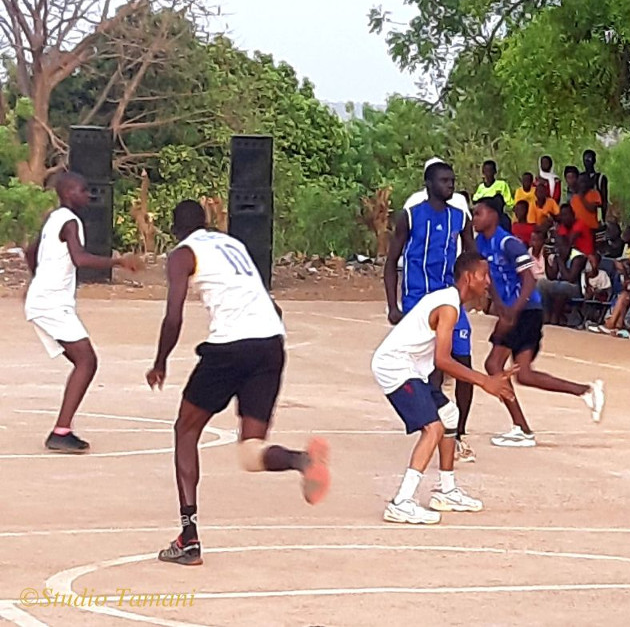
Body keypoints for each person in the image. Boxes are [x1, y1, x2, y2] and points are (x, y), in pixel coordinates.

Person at [146, 201, 331, 565]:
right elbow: (271, 306)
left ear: (176, 229)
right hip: (270, 344)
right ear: (207, 222)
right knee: (250, 452)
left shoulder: (182, 254)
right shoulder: (233, 245)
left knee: (185, 430)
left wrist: (160, 362)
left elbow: (173, 316)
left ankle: (189, 538)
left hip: (231, 348)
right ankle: (302, 460)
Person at [373, 253, 518, 524]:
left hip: (413, 367)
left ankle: (446, 490)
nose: (488, 282)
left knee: (449, 415)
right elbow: (442, 360)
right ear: (468, 277)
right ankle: (401, 501)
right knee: (434, 428)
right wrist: (484, 381)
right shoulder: (449, 307)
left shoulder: (451, 302)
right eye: (484, 275)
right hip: (395, 366)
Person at [23, 172, 143, 452]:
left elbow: (30, 252)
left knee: (83, 361)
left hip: (45, 299)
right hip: (51, 302)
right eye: (83, 190)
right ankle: (61, 432)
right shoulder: (69, 221)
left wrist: (36, 282)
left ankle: (62, 430)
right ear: (67, 193)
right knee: (87, 361)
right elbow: (80, 258)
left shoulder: (53, 218)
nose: (88, 195)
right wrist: (119, 261)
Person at [472, 197, 605, 447]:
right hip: (513, 311)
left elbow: (530, 280)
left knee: (494, 364)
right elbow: (490, 278)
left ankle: (522, 428)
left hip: (527, 309)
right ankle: (585, 391)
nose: (474, 218)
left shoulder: (508, 243)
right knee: (524, 374)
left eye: (478, 213)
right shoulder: (481, 243)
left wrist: (513, 310)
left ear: (492, 215)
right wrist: (500, 306)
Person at [385, 161, 479, 463]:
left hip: (451, 301)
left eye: (452, 180)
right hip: (418, 301)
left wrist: (481, 294)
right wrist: (392, 306)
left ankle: (459, 433)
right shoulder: (410, 216)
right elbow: (391, 262)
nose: (450, 186)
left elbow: (472, 258)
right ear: (428, 184)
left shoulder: (460, 218)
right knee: (431, 369)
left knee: (463, 364)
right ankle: (437, 430)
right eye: (444, 181)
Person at [570, 172, 604, 238]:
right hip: (579, 230)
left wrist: (582, 198)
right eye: (580, 182)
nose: (582, 184)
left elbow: (592, 209)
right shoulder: (574, 198)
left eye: (584, 182)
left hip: (592, 228)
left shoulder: (594, 193)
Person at [581, 150, 609, 220]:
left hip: (596, 213)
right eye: (585, 159)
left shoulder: (600, 178)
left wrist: (603, 216)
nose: (587, 162)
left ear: (594, 160)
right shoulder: (580, 177)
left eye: (589, 159)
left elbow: (604, 199)